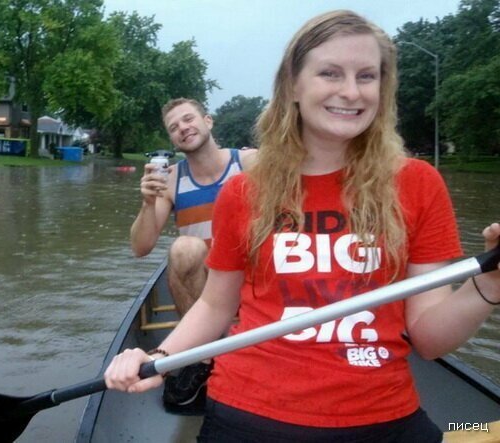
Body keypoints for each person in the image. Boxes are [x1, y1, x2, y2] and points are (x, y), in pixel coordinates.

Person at [106, 10, 500, 442]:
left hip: (381, 411)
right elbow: (216, 305)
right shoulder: (243, 192)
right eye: (330, 73)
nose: (351, 92)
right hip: (249, 405)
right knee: (183, 252)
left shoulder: (418, 183)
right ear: (293, 85)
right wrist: (160, 356)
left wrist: (489, 287)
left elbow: (428, 339)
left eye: (367, 76)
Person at [130, 97, 256, 412]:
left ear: (208, 121)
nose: (182, 129)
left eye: (188, 119)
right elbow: (140, 247)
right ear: (171, 139)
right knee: (183, 249)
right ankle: (204, 356)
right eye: (174, 128)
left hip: (256, 277)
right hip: (209, 290)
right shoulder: (171, 179)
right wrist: (148, 202)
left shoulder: (250, 163)